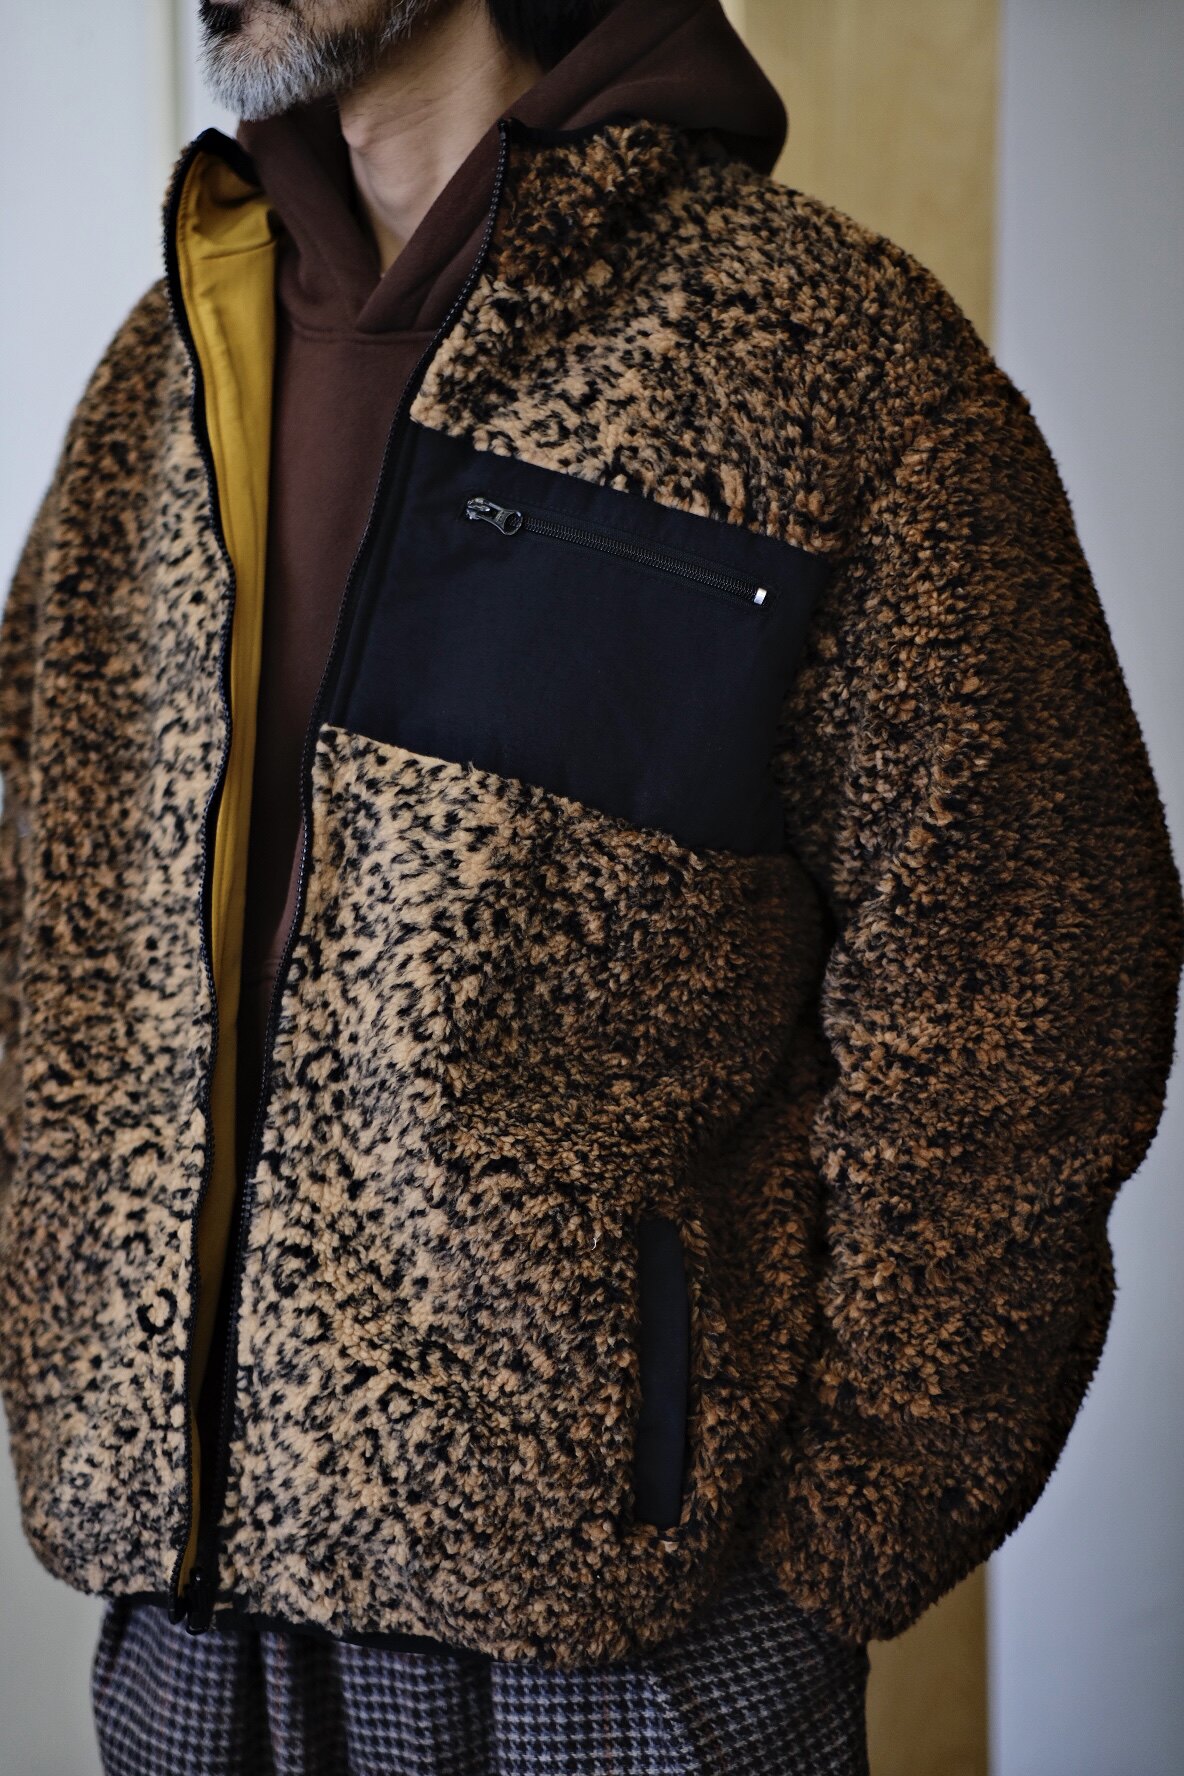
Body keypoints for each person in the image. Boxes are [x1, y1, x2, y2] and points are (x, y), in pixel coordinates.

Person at [0, 1, 1180, 1772]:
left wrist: (841, 1544)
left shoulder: (824, 360)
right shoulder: (168, 368)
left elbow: (1032, 973)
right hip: (187, 1627)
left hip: (620, 1645)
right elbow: (40, 881)